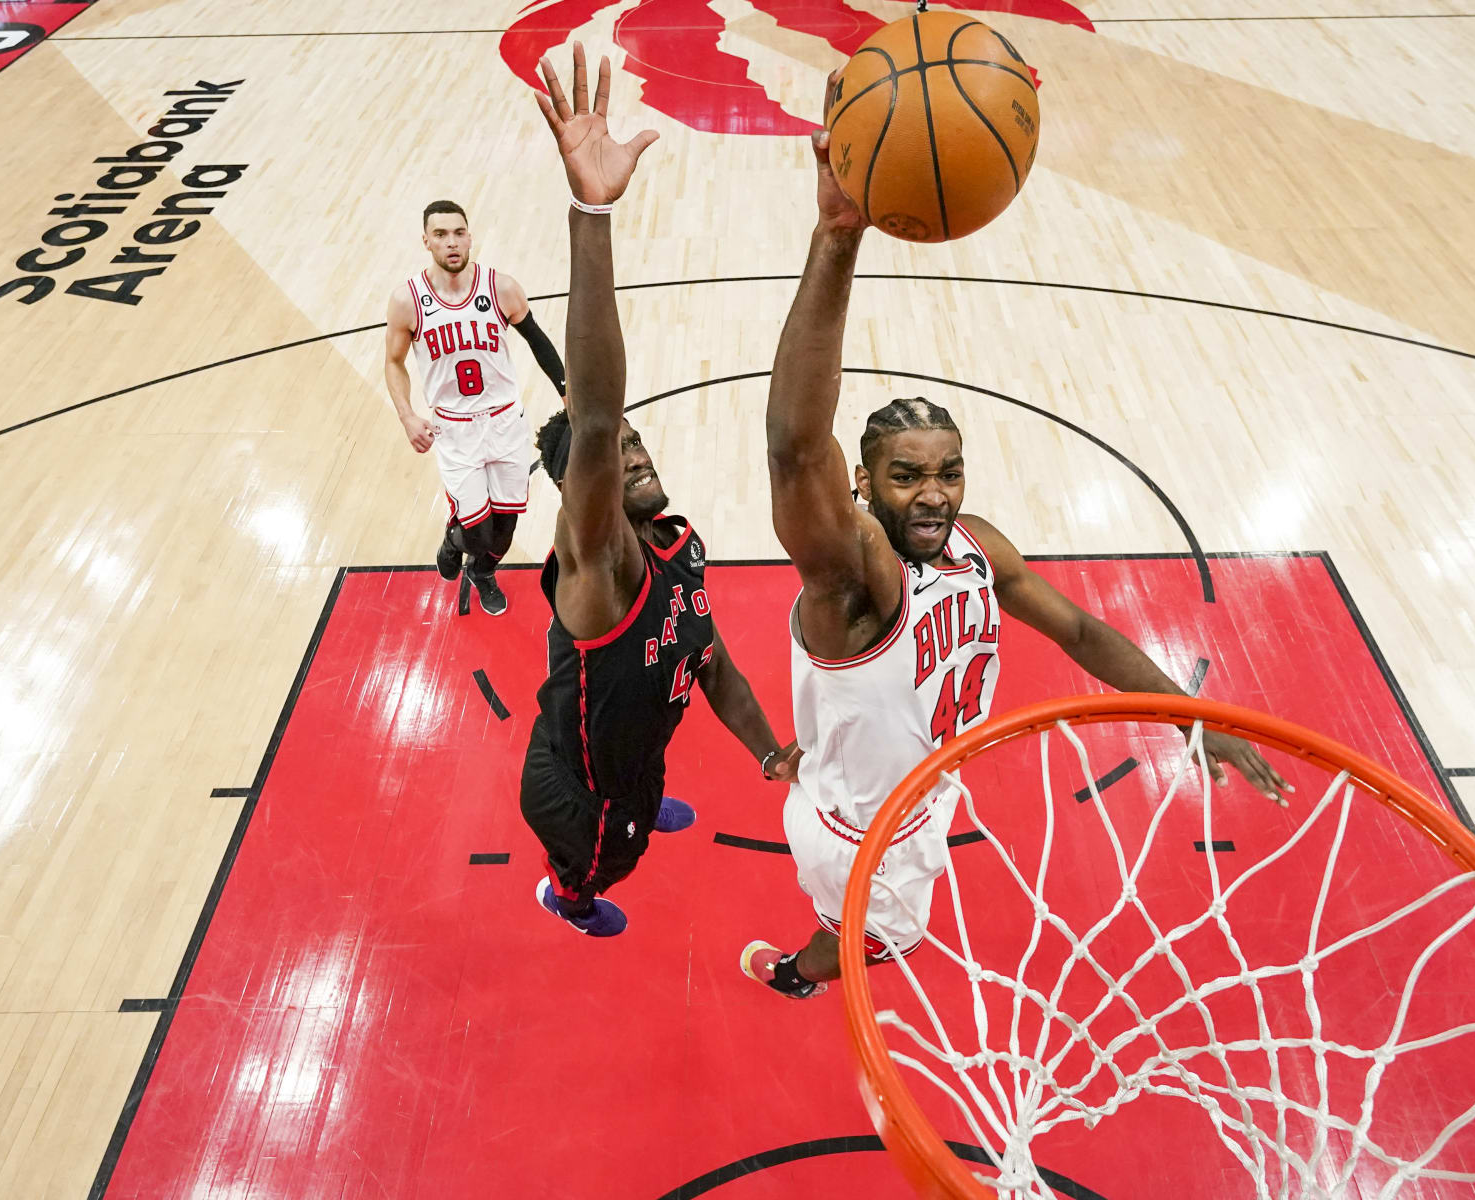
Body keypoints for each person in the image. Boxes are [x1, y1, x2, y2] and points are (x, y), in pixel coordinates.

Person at [741, 111, 1291, 999]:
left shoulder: (975, 545)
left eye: (949, 472)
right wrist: (838, 236)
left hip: (899, 793)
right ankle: (796, 976)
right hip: (864, 837)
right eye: (907, 476)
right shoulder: (856, 581)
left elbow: (1075, 628)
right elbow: (794, 449)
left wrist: (1187, 710)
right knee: (869, 945)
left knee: (843, 808)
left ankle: (813, 797)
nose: (935, 494)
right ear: (864, 490)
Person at [522, 44, 798, 937]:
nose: (632, 452)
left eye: (640, 442)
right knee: (615, 856)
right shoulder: (600, 561)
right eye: (614, 456)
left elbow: (708, 660)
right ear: (580, 496)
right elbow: (596, 421)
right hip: (585, 803)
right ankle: (568, 898)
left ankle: (645, 786)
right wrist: (588, 214)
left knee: (651, 727)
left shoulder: (676, 540)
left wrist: (769, 754)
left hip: (612, 732)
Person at [383, 199, 569, 615]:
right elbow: (393, 362)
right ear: (426, 241)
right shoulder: (408, 300)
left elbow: (538, 341)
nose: (452, 242)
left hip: (505, 423)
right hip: (455, 429)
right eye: (442, 234)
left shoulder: (500, 287)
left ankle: (482, 574)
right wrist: (408, 415)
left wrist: (566, 392)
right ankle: (453, 543)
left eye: (459, 232)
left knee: (503, 531)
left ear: (470, 236)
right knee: (477, 531)